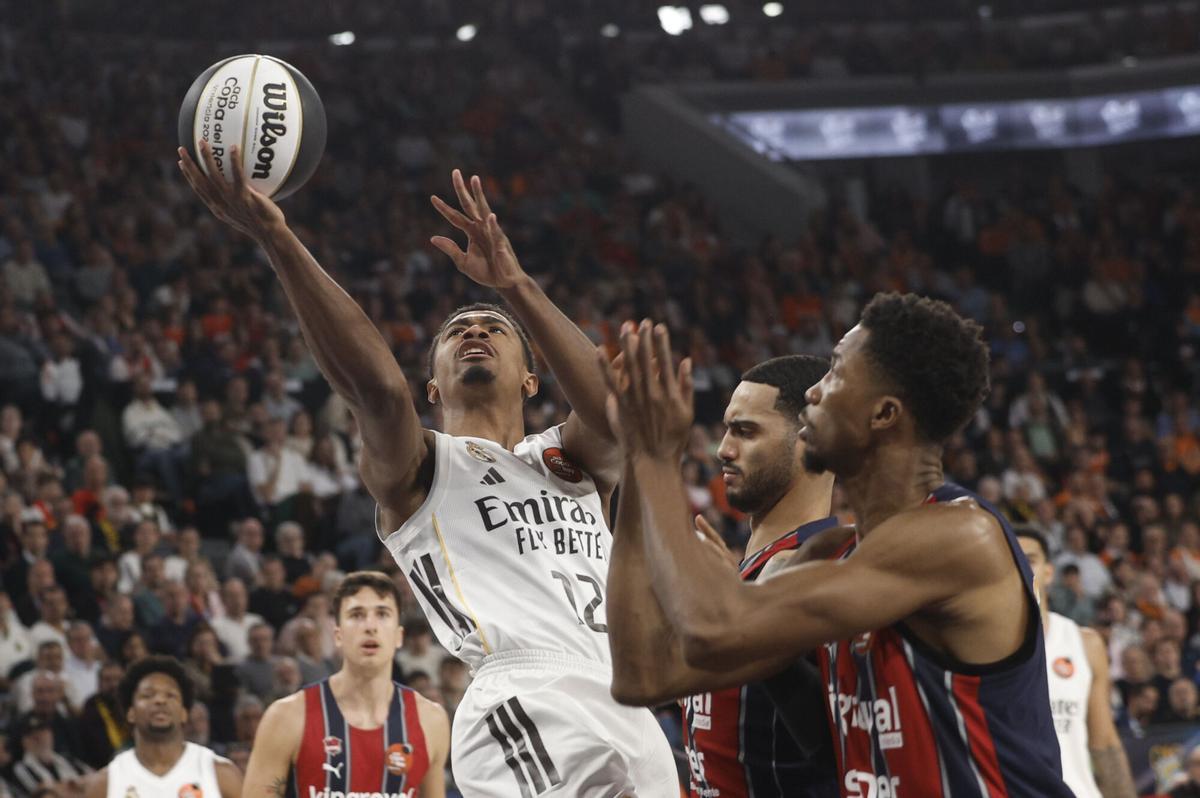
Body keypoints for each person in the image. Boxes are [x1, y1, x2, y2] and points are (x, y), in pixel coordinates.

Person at [178, 147, 676, 794]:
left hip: (625, 697)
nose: (474, 329)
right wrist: (277, 235)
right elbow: (378, 392)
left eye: (493, 328)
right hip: (523, 694)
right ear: (434, 388)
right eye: (456, 331)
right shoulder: (421, 467)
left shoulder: (568, 459)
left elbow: (613, 417)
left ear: (532, 377)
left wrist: (514, 287)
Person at [600, 296, 1074, 797]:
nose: (813, 390)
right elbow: (642, 676)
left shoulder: (959, 537)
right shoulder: (830, 554)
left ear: (884, 413)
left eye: (837, 373)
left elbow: (709, 631)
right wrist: (635, 461)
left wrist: (656, 457)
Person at [608, 354, 842, 798]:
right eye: (727, 429)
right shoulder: (743, 574)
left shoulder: (829, 565)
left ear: (810, 440)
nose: (723, 450)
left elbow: (840, 743)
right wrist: (639, 459)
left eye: (746, 431)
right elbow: (635, 678)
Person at [243, 571, 448, 797]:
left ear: (399, 636)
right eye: (357, 614)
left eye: (382, 614)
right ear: (338, 635)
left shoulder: (431, 720)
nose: (370, 626)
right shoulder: (286, 716)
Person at [1016, 528, 1136, 798]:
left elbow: (1104, 740)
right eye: (1012, 559)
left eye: (1030, 559)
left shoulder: (1085, 643)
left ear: (1048, 573)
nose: (1021, 568)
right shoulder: (981, 649)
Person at [83, 655, 241, 798]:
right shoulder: (104, 784)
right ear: (130, 713)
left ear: (184, 713)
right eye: (147, 695)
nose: (160, 701)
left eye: (170, 695)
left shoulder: (220, 773)